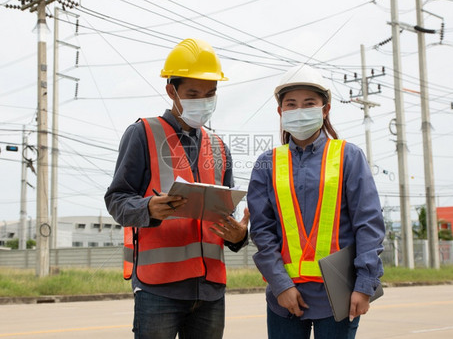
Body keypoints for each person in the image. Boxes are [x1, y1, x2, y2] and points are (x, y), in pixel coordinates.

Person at [104, 38, 249, 339]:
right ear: (172, 91)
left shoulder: (219, 147)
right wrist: (147, 208)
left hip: (210, 289)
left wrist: (239, 236)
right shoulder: (142, 133)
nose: (203, 101)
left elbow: (224, 216)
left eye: (210, 94)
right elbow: (116, 200)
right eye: (193, 94)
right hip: (159, 289)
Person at [247, 64, 385, 339]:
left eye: (309, 103)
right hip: (285, 297)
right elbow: (262, 231)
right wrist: (281, 285)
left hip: (340, 294)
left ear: (325, 109)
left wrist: (365, 284)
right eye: (291, 104)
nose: (299, 111)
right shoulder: (267, 163)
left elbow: (368, 224)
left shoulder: (348, 156)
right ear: (280, 112)